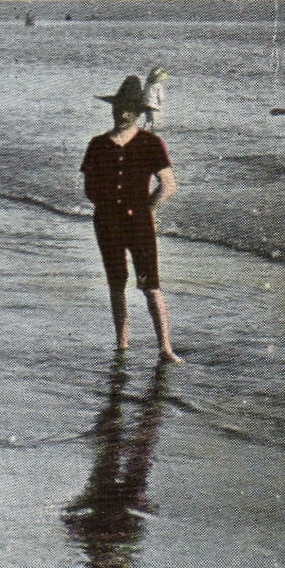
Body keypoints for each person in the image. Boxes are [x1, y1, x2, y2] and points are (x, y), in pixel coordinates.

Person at [80, 76, 182, 364]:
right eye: (120, 109)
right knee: (116, 282)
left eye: (129, 111)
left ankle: (165, 347)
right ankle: (122, 343)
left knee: (150, 285)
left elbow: (168, 185)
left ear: (138, 113)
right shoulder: (98, 144)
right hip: (106, 223)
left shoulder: (151, 143)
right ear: (113, 110)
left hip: (139, 223)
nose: (124, 115)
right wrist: (108, 207)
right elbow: (90, 188)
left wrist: (146, 209)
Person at [142, 66, 168, 132]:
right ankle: (152, 133)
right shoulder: (159, 85)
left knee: (148, 120)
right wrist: (161, 105)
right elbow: (161, 97)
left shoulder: (147, 83)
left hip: (145, 104)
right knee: (154, 122)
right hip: (154, 105)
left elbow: (143, 92)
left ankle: (143, 131)